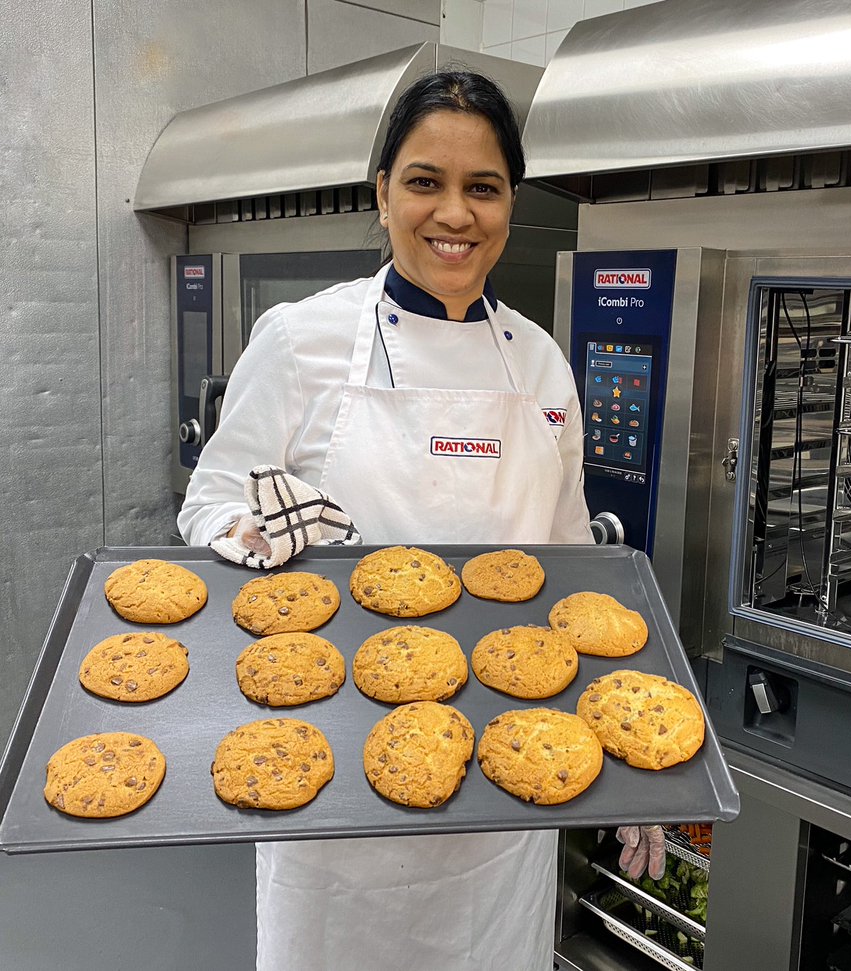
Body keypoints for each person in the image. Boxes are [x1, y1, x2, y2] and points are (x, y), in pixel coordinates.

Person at [179, 69, 614, 971]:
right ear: (382, 194)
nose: (454, 213)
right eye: (425, 182)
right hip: (335, 793)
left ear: (511, 204)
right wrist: (247, 537)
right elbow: (211, 497)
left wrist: (617, 756)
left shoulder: (540, 364)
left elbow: (572, 561)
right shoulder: (300, 341)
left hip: (504, 789)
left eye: (483, 187)